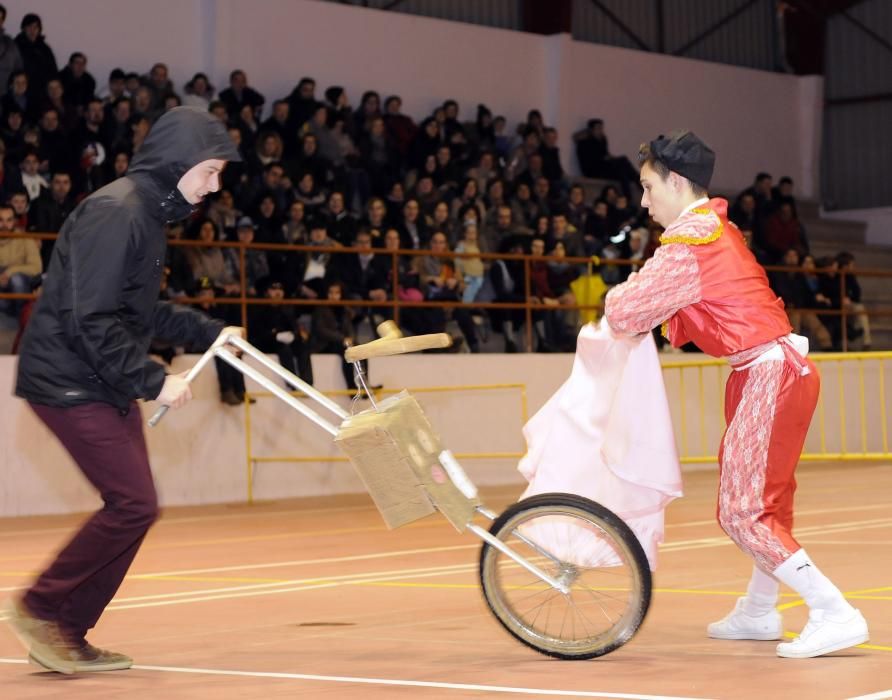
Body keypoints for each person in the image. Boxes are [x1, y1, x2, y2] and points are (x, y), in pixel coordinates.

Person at [604, 130, 869, 659]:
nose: (643, 200)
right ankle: (758, 609)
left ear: (675, 182)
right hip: (773, 369)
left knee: (741, 511)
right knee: (766, 502)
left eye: (648, 186)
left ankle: (833, 610)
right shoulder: (715, 229)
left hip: (766, 372)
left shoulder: (689, 242)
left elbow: (624, 312)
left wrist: (620, 291)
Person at [6, 106, 244, 674]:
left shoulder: (145, 216)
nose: (215, 186)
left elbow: (138, 310)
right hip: (67, 379)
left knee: (135, 507)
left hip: (97, 378)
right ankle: (42, 607)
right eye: (210, 171)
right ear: (179, 162)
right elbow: (89, 318)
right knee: (135, 503)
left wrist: (209, 330)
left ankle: (65, 628)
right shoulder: (117, 213)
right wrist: (152, 379)